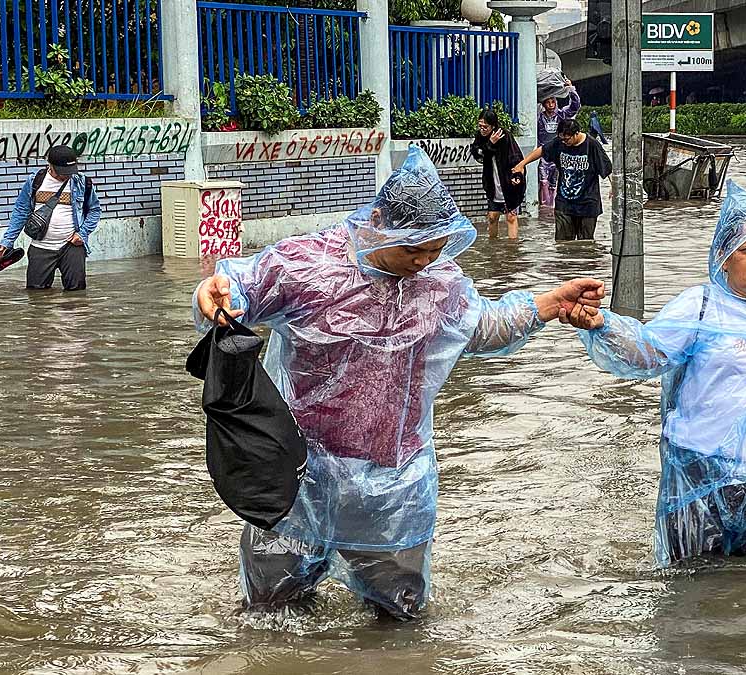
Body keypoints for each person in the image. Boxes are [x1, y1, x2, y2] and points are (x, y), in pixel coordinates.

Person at [191, 146, 605, 621]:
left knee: (401, 617)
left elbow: (479, 328)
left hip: (394, 485)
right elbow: (237, 289)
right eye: (414, 249)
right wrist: (213, 295)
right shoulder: (306, 266)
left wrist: (547, 304)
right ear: (380, 220)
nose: (422, 262)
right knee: (270, 614)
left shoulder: (439, 282)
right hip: (299, 477)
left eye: (434, 251)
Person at [558, 181, 746, 566]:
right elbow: (647, 353)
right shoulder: (701, 305)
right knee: (688, 588)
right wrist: (601, 325)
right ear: (725, 258)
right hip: (697, 469)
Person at [0, 145, 101, 291]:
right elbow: (20, 212)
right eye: (63, 172)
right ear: (50, 165)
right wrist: (6, 242)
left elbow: (95, 210)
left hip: (72, 246)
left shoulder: (82, 182)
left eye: (70, 171)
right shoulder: (35, 181)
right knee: (36, 296)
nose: (67, 176)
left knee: (77, 296)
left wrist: (82, 234)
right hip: (41, 247)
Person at [512, 118, 612, 242]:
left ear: (577, 133)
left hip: (588, 203)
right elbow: (542, 150)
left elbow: (607, 168)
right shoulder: (559, 142)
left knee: (585, 245)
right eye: (562, 139)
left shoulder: (592, 145)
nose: (564, 142)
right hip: (564, 203)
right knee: (562, 244)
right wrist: (522, 164)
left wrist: (614, 187)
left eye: (567, 139)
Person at [471, 109, 525, 240]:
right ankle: (493, 245)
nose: (482, 129)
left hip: (508, 182)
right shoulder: (480, 137)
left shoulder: (505, 136)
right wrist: (490, 144)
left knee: (511, 216)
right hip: (492, 182)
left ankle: (512, 250)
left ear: (493, 126)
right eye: (480, 126)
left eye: (485, 127)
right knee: (492, 217)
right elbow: (478, 154)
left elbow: (516, 158)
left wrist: (517, 176)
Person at [537, 78, 581, 209]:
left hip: (558, 155)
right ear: (543, 104)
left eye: (553, 102)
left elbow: (575, 106)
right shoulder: (538, 117)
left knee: (554, 182)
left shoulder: (562, 115)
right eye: (548, 102)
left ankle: (553, 208)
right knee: (543, 181)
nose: (551, 105)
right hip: (543, 155)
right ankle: (544, 209)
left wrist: (571, 89)